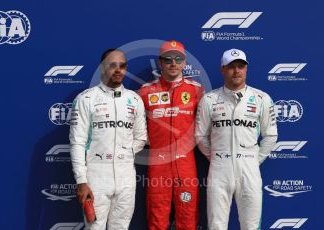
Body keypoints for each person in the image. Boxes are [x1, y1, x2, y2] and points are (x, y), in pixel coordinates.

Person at [195, 48, 278, 230]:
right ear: (222, 69)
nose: (237, 71)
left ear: (246, 69)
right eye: (231, 67)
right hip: (219, 168)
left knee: (251, 225)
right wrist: (216, 157)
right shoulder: (209, 99)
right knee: (216, 224)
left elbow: (271, 135)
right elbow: (200, 135)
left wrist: (255, 159)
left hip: (249, 167)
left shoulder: (261, 98)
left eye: (241, 66)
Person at [69, 49, 147, 230]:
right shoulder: (86, 99)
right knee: (94, 227)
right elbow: (77, 142)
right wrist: (81, 180)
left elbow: (141, 137)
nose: (118, 70)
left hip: (126, 175)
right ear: (102, 67)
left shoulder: (134, 99)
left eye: (122, 66)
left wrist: (122, 154)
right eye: (112, 65)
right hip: (96, 176)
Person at [139, 40, 204, 230]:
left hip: (186, 165)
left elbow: (206, 128)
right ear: (160, 63)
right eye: (168, 59)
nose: (173, 63)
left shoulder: (196, 90)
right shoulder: (145, 91)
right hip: (158, 165)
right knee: (157, 218)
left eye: (178, 59)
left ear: (184, 63)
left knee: (188, 217)